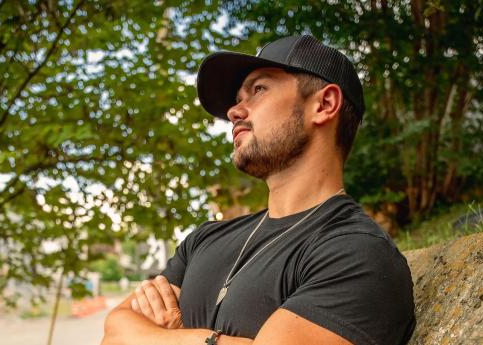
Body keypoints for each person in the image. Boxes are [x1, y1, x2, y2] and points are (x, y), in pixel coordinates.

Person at [102, 35, 416, 345]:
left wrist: (168, 334)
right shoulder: (202, 240)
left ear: (324, 104)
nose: (234, 112)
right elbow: (115, 330)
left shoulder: (357, 255)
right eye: (238, 98)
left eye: (258, 89)